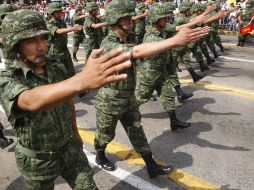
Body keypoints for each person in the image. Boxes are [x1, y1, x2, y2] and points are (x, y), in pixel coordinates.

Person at [0, 9, 132, 190]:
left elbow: (68, 100)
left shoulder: (55, 66)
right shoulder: (8, 79)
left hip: (70, 150)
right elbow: (30, 101)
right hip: (38, 162)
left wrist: (75, 131)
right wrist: (81, 80)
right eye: (32, 41)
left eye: (43, 39)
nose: (41, 46)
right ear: (15, 46)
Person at [94, 0, 210, 178]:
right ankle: (100, 155)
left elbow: (139, 47)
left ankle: (151, 165)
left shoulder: (130, 37)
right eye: (124, 19)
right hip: (110, 100)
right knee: (105, 134)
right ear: (114, 21)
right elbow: (136, 52)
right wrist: (173, 42)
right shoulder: (108, 44)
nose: (129, 22)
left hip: (128, 98)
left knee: (137, 132)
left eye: (129, 18)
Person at [136, 4, 191, 131]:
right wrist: (176, 40)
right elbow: (163, 44)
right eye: (164, 18)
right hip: (150, 73)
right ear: (156, 19)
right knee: (141, 98)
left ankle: (174, 121)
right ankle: (127, 112)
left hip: (161, 71)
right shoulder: (151, 36)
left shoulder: (162, 31)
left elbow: (176, 29)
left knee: (167, 95)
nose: (167, 20)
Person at [46, 2, 82, 77]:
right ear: (52, 13)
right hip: (56, 54)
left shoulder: (62, 22)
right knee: (60, 75)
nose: (60, 13)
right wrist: (73, 28)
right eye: (57, 12)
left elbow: (65, 30)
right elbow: (58, 31)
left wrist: (73, 27)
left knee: (71, 72)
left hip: (64, 50)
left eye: (60, 11)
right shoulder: (49, 24)